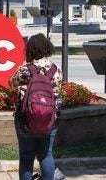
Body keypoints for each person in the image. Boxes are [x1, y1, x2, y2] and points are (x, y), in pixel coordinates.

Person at [10, 33, 63, 180]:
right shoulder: (56, 70)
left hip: (25, 117)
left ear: (30, 50)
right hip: (49, 119)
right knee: (46, 154)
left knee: (26, 157)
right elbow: (57, 89)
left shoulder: (25, 69)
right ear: (47, 48)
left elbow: (11, 83)